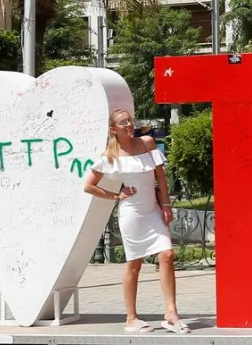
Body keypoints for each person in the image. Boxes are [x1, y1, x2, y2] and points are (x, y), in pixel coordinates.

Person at [83, 109, 188, 335]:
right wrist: (116, 196)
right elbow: (88, 185)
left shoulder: (147, 142)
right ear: (114, 130)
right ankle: (131, 318)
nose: (130, 124)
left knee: (167, 255)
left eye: (131, 120)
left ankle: (171, 314)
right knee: (134, 264)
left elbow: (160, 175)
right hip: (131, 214)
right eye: (124, 122)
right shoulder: (110, 155)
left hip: (152, 210)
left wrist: (166, 205)